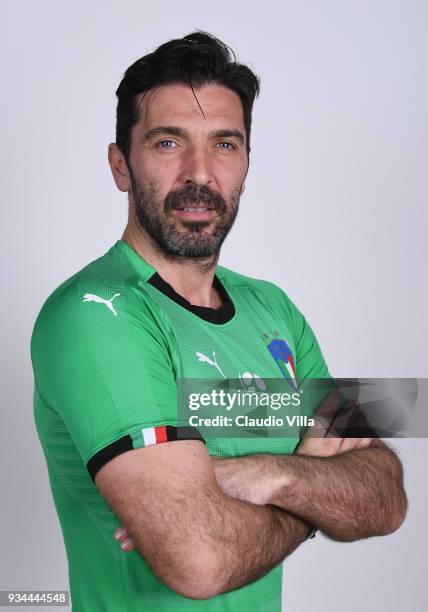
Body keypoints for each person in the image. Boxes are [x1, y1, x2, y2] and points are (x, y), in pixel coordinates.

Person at [31, 31, 407, 611]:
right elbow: (199, 560)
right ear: (120, 165)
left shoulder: (275, 309)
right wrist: (309, 488)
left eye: (225, 145)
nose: (200, 173)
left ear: (247, 164)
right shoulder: (93, 314)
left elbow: (385, 495)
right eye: (167, 142)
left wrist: (264, 474)